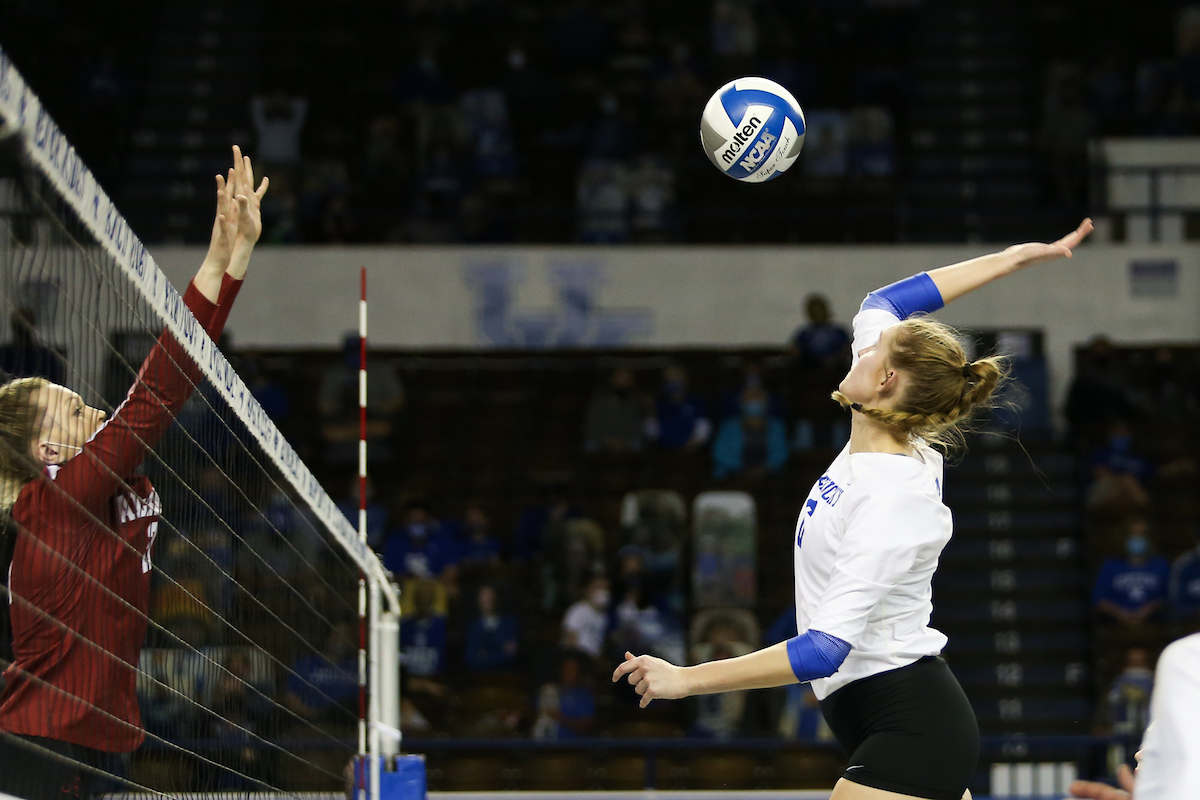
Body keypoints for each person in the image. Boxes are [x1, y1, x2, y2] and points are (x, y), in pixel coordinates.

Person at [615, 219, 1094, 800]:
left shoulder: (895, 496)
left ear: (886, 379)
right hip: (884, 716)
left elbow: (824, 649)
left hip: (912, 727)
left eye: (875, 349)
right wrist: (1014, 258)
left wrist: (686, 680)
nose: (863, 345)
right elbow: (884, 302)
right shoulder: (887, 432)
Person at [0, 146, 267, 800]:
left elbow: (183, 370)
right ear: (48, 452)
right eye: (73, 409)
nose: (93, 409)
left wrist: (238, 253)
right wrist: (214, 259)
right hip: (39, 742)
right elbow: (157, 392)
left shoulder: (101, 486)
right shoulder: (62, 499)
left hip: (100, 734)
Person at [1065, 632, 1200, 800]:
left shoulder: (1185, 659)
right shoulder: (1117, 690)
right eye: (1132, 662)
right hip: (1123, 738)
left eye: (1140, 662)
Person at [1093, 519, 1170, 628]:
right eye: (1133, 534)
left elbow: (1167, 598)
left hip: (1153, 625)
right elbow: (1100, 599)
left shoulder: (1161, 565)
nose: (1137, 539)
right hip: (1116, 626)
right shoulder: (1110, 566)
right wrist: (1120, 613)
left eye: (1142, 535)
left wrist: (1149, 609)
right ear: (1124, 538)